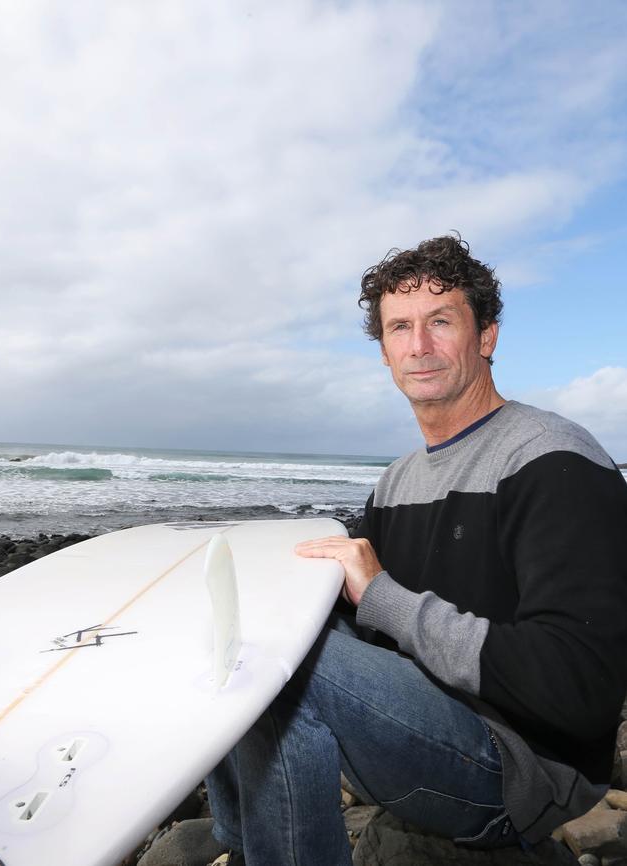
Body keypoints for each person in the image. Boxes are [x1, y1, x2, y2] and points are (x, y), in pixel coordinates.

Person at [205, 234, 627, 865]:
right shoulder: (398, 479)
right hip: (424, 719)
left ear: (486, 336)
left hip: (520, 765)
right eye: (399, 327)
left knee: (289, 669)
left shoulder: (553, 460)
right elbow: (365, 625)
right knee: (249, 634)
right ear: (383, 351)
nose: (419, 346)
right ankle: (245, 846)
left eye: (440, 321)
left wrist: (384, 597)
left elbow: (578, 686)